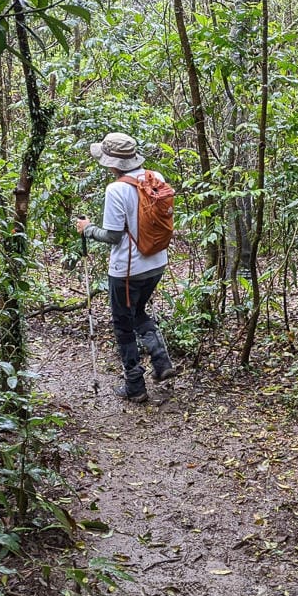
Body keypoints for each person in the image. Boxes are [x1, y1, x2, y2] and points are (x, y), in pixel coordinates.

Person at [75, 132, 177, 403]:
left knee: (123, 324)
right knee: (138, 312)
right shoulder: (156, 178)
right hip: (156, 262)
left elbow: (112, 236)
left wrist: (87, 229)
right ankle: (161, 360)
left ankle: (135, 385)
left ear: (112, 163)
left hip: (127, 270)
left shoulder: (116, 189)